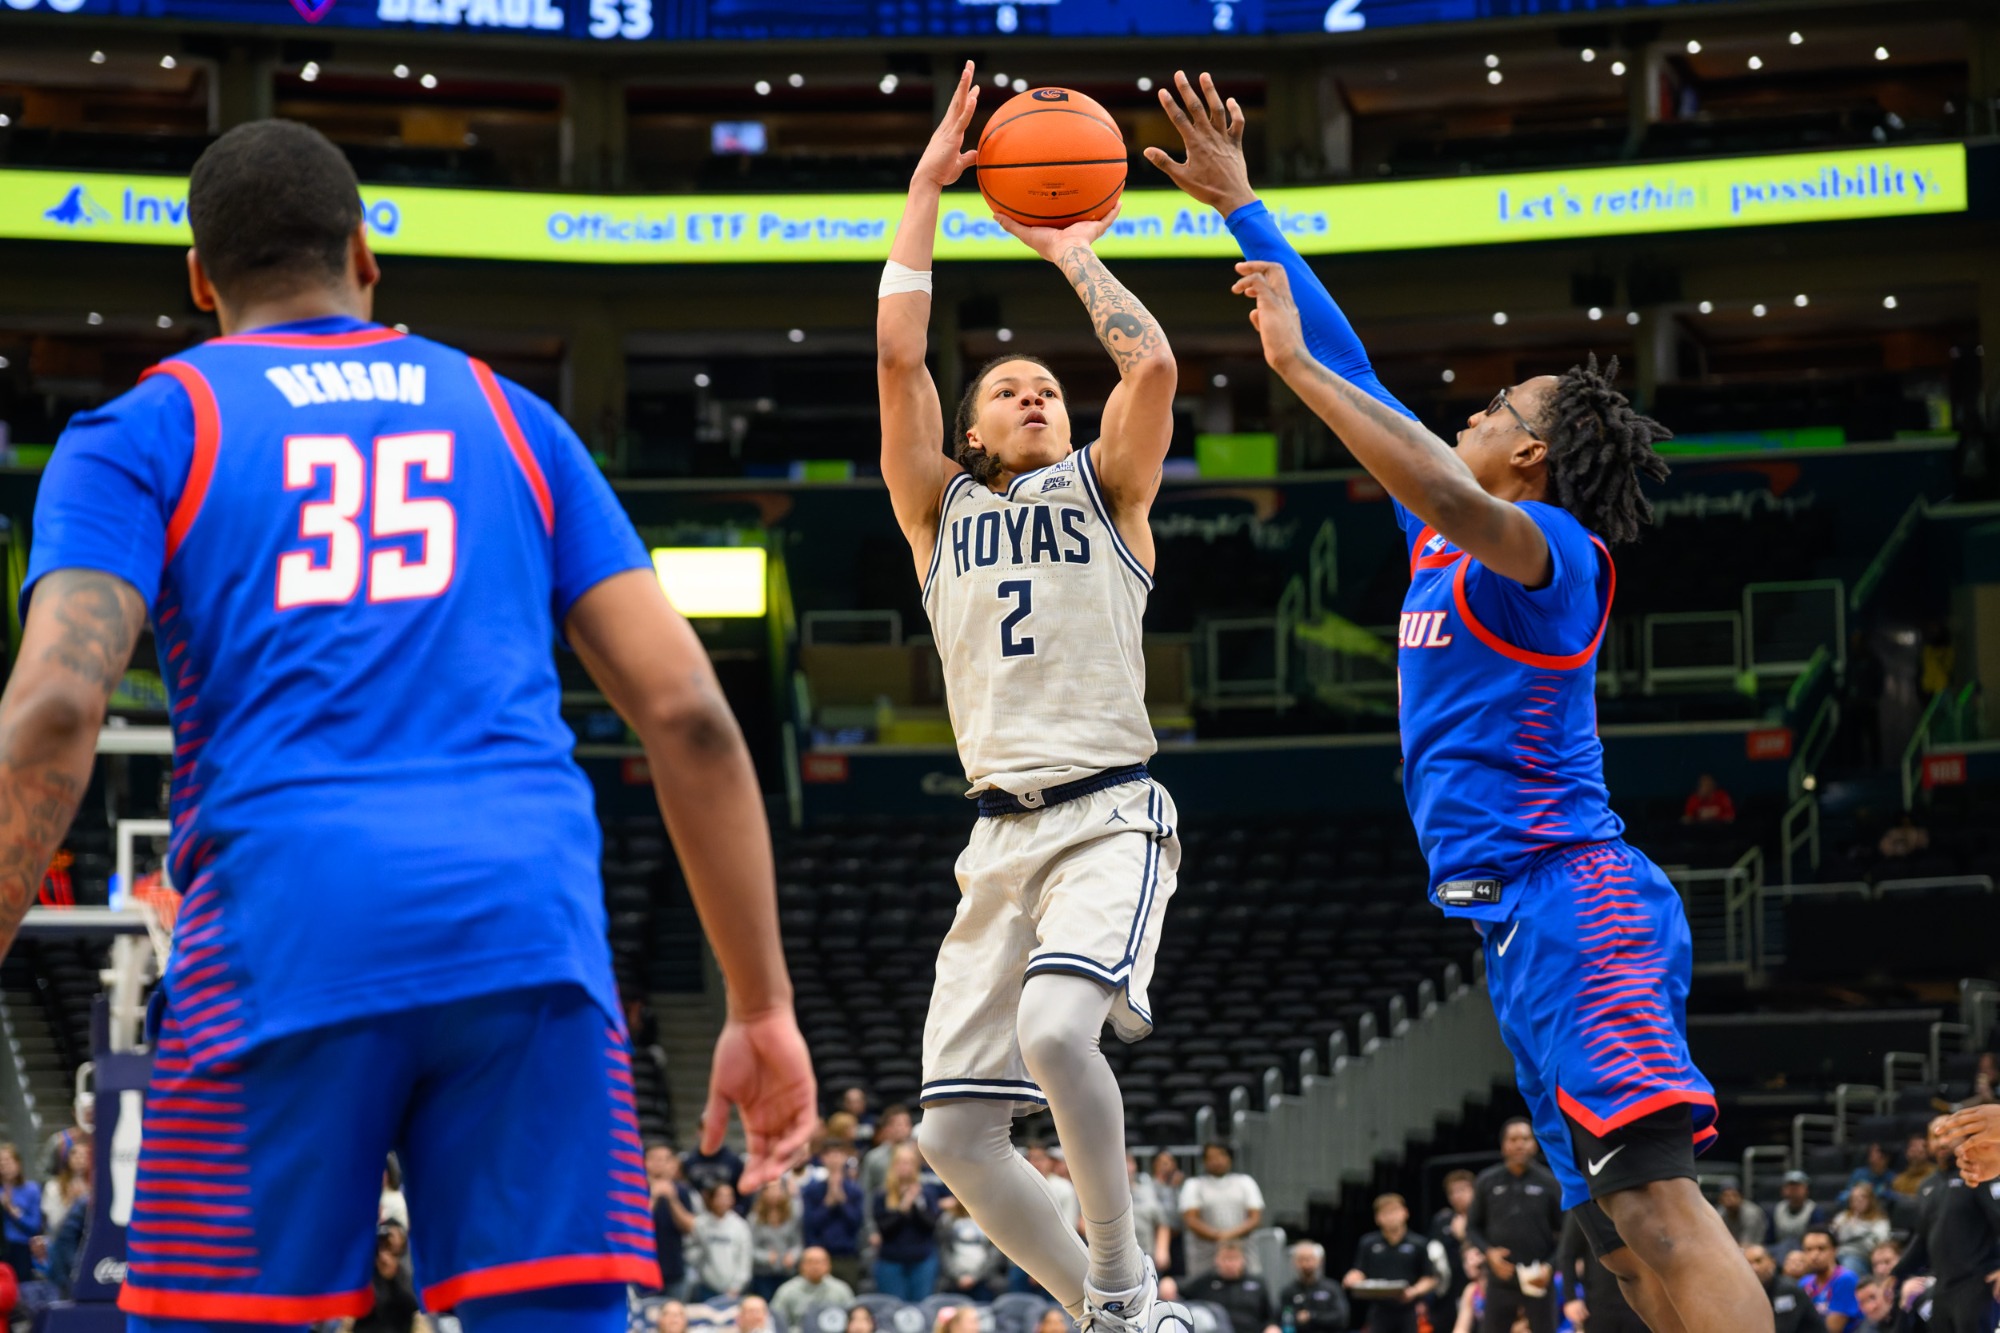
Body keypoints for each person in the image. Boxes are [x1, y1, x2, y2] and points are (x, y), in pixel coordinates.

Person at [4, 118, 819, 1330]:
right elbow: (690, 715)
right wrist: (758, 1008)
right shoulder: (513, 418)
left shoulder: (141, 432)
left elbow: (62, 705)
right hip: (524, 929)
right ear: (364, 250)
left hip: (283, 929)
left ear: (198, 276)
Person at [1149, 67, 1769, 1333]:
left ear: (1530, 454)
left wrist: (1291, 373)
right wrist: (1244, 209)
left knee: (1656, 1208)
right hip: (1515, 920)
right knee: (1610, 1239)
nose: (1469, 414)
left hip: (1576, 900)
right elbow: (1358, 371)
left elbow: (1411, 459)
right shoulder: (1453, 534)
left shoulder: (1550, 552)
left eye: (1493, 408)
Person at [883, 63, 1187, 1333]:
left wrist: (1073, 253)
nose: (1034, 393)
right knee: (954, 1136)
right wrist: (923, 192)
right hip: (996, 837)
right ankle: (1115, 1317)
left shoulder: (1108, 492)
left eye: (1047, 387)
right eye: (1008, 388)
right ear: (969, 429)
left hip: (1109, 811)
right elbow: (899, 351)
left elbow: (1155, 365)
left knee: (1062, 1038)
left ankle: (1122, 1274)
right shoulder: (935, 508)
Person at [1891, 1116, 2000, 1333]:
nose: (1942, 1142)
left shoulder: (1980, 1174)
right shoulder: (1926, 1186)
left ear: (1964, 1138)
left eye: (1949, 1134)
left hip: (1977, 1283)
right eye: (1935, 1136)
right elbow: (1922, 1239)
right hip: (1942, 1286)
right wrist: (1895, 1273)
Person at [1465, 1122, 1560, 1333]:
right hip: (1501, 1278)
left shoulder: (1549, 1182)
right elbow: (1472, 1227)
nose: (1519, 1145)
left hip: (1538, 1278)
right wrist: (1489, 1254)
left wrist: (1550, 1266)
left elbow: (1566, 1234)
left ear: (1535, 1145)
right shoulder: (1486, 1181)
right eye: (1513, 1139)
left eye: (1525, 1139)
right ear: (1503, 1146)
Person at [1343, 1194, 1435, 1333]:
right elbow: (1359, 1270)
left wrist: (1414, 1291)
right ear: (1377, 1218)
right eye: (1385, 1213)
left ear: (1405, 1213)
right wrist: (1353, 1278)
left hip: (1408, 1309)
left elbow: (1429, 1278)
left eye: (1394, 1211)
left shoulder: (1419, 1244)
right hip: (1379, 1309)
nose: (1390, 1217)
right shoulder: (1368, 1243)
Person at [1180, 1144, 1265, 1280]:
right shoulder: (1193, 1185)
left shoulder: (1246, 1182)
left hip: (1244, 1256)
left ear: (1229, 1158)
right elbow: (1191, 1220)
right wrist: (1220, 1237)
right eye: (1211, 1157)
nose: (1216, 1161)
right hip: (1205, 1260)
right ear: (1204, 1161)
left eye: (1221, 1155)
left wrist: (1227, 1236)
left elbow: (1255, 1219)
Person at [1555, 1205, 1643, 1333]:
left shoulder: (1641, 1199)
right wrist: (1571, 1298)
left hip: (1641, 1302)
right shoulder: (1585, 1204)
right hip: (1599, 1303)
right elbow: (1567, 1254)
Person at [875, 1143, 943, 1301]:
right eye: (901, 1162)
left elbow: (931, 1224)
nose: (905, 1167)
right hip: (891, 1261)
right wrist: (903, 1206)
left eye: (909, 1162)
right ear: (893, 1165)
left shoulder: (927, 1192)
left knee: (920, 1309)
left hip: (922, 1259)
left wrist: (916, 1203)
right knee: (893, 1307)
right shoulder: (882, 1194)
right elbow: (884, 1229)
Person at [803, 1142, 867, 1287]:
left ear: (845, 1157)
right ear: (822, 1158)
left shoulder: (854, 1191)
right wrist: (828, 1203)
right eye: (830, 1154)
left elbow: (857, 1222)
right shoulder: (812, 1190)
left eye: (839, 1154)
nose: (834, 1158)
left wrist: (843, 1202)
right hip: (819, 1254)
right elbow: (810, 1223)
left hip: (847, 1255)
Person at [1184, 1242, 1272, 1333]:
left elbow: (1270, 1317)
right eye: (1225, 1259)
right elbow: (1181, 1289)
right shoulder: (1205, 1283)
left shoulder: (1257, 1283)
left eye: (1234, 1259)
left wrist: (1272, 1326)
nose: (1229, 1264)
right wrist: (1170, 1284)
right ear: (1216, 1260)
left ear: (1243, 1260)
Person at [653, 1143, 702, 1299]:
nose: (660, 1163)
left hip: (675, 1269)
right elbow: (633, 1229)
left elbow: (690, 1227)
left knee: (675, 1316)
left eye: (665, 1159)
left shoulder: (682, 1191)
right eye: (655, 1159)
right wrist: (653, 1198)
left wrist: (672, 1200)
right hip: (645, 1269)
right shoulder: (636, 1189)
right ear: (645, 1162)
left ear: (673, 1164)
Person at [352, 1226, 423, 1333]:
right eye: (381, 1245)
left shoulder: (406, 1268)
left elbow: (414, 1304)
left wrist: (392, 1278)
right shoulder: (364, 1271)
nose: (384, 1253)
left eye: (388, 1246)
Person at [938, 1194, 1006, 1302]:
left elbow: (995, 1251)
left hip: (984, 1280)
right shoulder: (947, 1219)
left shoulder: (990, 1219)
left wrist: (976, 1276)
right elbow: (944, 1251)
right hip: (954, 1281)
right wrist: (958, 1276)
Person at [1747, 1246, 1830, 1333]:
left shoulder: (1786, 1291)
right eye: (1749, 1263)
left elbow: (1781, 1330)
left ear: (1772, 1262)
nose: (1754, 1268)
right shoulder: (1755, 1292)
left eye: (1758, 1261)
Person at [695, 1182, 756, 1300]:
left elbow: (745, 1258)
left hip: (734, 1290)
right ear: (712, 1198)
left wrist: (737, 1286)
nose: (724, 1200)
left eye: (728, 1196)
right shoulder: (700, 1224)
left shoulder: (740, 1226)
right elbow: (693, 1252)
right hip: (706, 1287)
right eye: (720, 1196)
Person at [771, 1246, 857, 1329]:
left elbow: (854, 1319)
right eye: (810, 1262)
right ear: (801, 1266)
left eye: (820, 1262)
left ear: (829, 1265)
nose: (815, 1266)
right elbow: (775, 1320)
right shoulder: (787, 1290)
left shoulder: (841, 1290)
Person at [1277, 1240, 1350, 1332]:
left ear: (1319, 1261)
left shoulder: (1332, 1288)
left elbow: (1342, 1319)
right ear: (1294, 1262)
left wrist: (1311, 1316)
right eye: (1301, 1259)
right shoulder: (1288, 1291)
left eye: (1310, 1259)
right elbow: (1280, 1320)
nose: (1306, 1264)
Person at [1797, 1230, 1863, 1333]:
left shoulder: (1845, 1280)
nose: (1814, 1255)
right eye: (1808, 1250)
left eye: (1821, 1249)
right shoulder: (1804, 1283)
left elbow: (1832, 1329)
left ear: (1834, 1250)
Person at [1429, 1170, 1476, 1312]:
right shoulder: (1442, 1220)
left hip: (1476, 1287)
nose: (1457, 1196)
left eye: (1462, 1190)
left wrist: (1464, 1236)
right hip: (1447, 1292)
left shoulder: (1485, 1219)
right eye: (1452, 1192)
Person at [752, 1180, 804, 1299]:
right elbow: (750, 1248)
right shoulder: (754, 1218)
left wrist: (793, 1256)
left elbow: (799, 1243)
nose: (774, 1192)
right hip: (763, 1274)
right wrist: (766, 1257)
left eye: (777, 1188)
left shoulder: (792, 1214)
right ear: (763, 1192)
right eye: (770, 1189)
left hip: (788, 1271)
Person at [1832, 1185, 1892, 1274]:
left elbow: (1878, 1241)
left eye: (1862, 1197)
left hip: (1863, 1256)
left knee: (1848, 1264)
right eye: (1854, 1198)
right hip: (1838, 1253)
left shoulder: (1879, 1220)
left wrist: (1856, 1231)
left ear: (1870, 1200)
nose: (1858, 1201)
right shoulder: (1842, 1218)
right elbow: (1833, 1237)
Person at [0, 1144, 38, 1282]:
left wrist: (13, 1211)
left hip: (20, 1248)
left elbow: (34, 1226)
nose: (4, 1165)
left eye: (8, 1160)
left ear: (18, 1163)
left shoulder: (31, 1189)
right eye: (1, 1161)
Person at [1774, 1172, 1831, 1250]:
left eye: (1797, 1187)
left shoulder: (1815, 1211)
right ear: (1783, 1190)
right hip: (1780, 1249)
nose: (1793, 1190)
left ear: (1806, 1189)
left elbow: (1817, 1238)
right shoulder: (1777, 1210)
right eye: (1790, 1187)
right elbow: (1770, 1239)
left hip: (1805, 1249)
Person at [1718, 1178, 1772, 1247]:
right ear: (1720, 1199)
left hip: (1754, 1248)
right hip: (1731, 1249)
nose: (1730, 1199)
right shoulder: (1719, 1214)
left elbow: (1746, 1245)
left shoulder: (1751, 1213)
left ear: (1741, 1197)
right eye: (1726, 1196)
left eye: (1734, 1195)